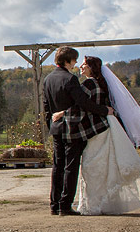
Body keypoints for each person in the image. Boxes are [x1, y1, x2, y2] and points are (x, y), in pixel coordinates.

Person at [54, 56, 140, 215]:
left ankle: (95, 204)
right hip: (106, 128)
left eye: (84, 65)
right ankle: (106, 203)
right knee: (105, 166)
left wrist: (61, 113)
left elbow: (82, 106)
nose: (81, 67)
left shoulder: (89, 84)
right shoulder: (103, 84)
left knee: (93, 167)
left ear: (91, 67)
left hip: (95, 131)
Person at [42, 46, 113, 216]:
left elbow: (46, 106)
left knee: (57, 166)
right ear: (67, 60)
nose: (75, 63)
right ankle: (65, 205)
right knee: (71, 167)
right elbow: (83, 103)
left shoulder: (48, 79)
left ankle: (54, 205)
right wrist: (105, 110)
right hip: (72, 129)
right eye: (74, 60)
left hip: (56, 128)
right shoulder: (70, 79)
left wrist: (50, 126)